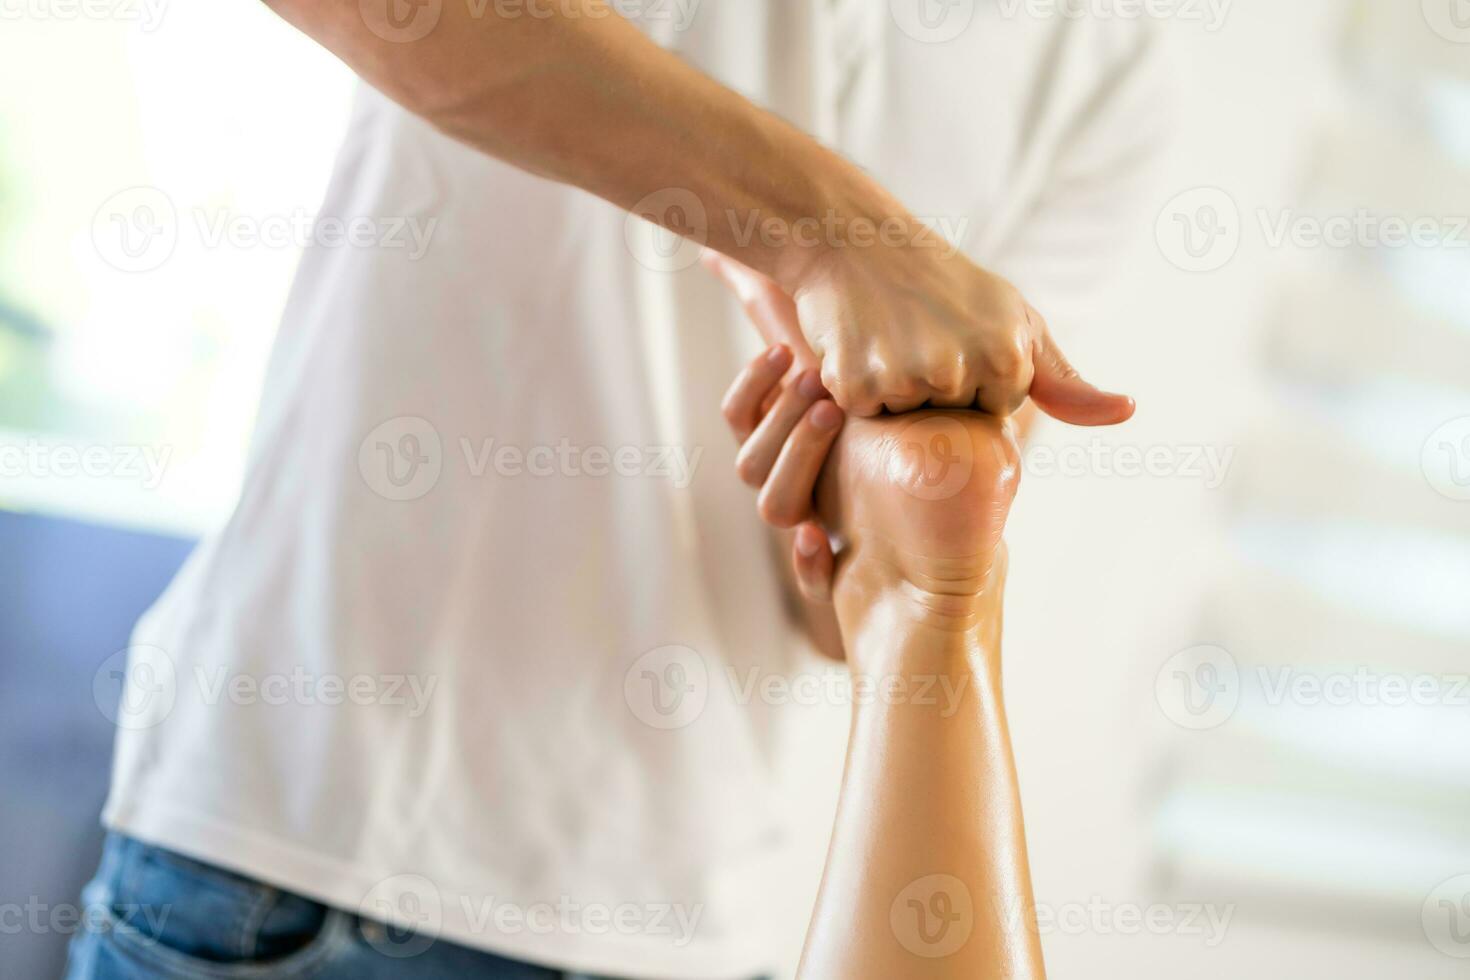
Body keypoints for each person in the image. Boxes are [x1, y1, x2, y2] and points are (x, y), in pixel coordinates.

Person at [69, 3, 1169, 977]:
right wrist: (834, 239)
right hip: (307, 852)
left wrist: (871, 520)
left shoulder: (1107, 60)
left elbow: (832, 613)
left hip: (676, 910)